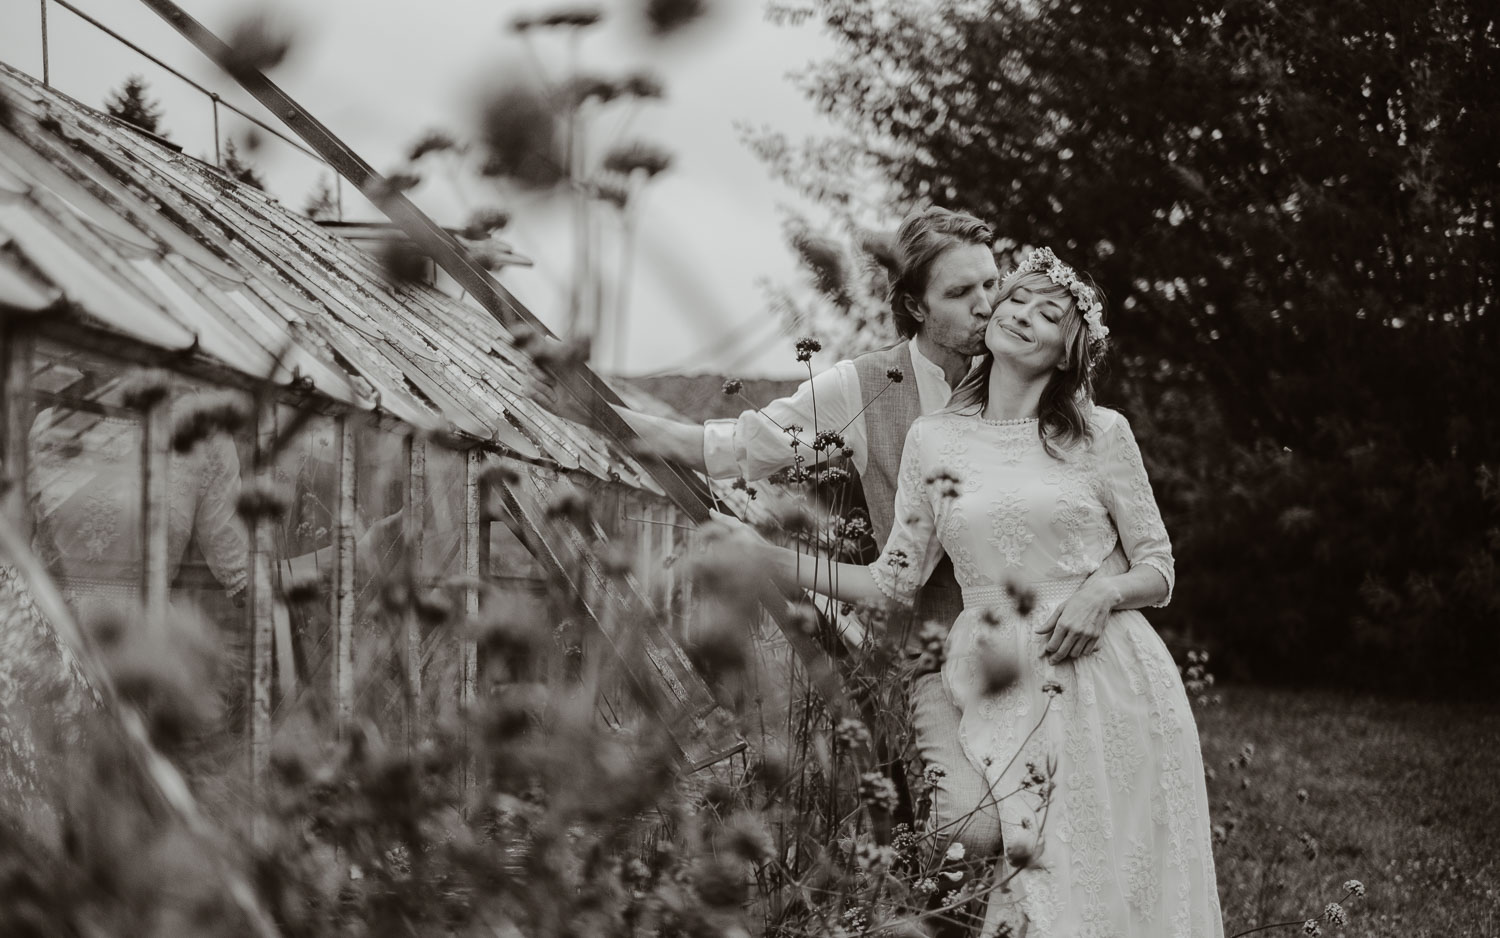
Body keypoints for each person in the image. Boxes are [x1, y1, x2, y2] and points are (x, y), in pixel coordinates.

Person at [716, 247, 1223, 937]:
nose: (1022, 315)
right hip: (999, 673)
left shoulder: (1102, 435)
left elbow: (1158, 566)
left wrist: (1101, 596)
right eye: (1017, 299)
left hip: (1114, 679)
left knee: (1120, 874)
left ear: (1066, 351)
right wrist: (770, 560)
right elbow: (892, 582)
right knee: (1027, 867)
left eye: (1048, 315)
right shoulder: (935, 440)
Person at [619, 206, 1010, 854]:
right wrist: (601, 411)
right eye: (961, 292)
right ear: (914, 307)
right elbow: (748, 446)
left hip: (1039, 643)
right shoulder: (869, 386)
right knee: (971, 829)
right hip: (938, 653)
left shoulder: (1024, 369)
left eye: (993, 284)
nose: (987, 306)